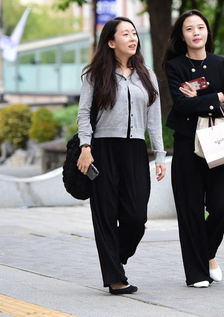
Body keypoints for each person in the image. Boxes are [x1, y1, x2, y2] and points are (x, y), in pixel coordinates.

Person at [76, 17, 167, 295]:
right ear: (112, 42)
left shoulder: (147, 75)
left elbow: (154, 118)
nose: (132, 38)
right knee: (105, 215)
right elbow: (83, 113)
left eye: (134, 33)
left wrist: (160, 153)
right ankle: (116, 278)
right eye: (125, 34)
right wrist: (85, 147)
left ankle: (117, 257)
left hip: (135, 150)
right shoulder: (96, 74)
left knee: (136, 217)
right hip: (103, 149)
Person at [163, 9, 224, 288]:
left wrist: (205, 98)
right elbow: (180, 105)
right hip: (186, 145)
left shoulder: (222, 64)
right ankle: (196, 273)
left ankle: (206, 253)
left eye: (200, 27)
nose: (196, 33)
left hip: (219, 143)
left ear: (207, 32)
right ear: (182, 36)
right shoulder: (175, 66)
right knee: (190, 210)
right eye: (189, 29)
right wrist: (214, 97)